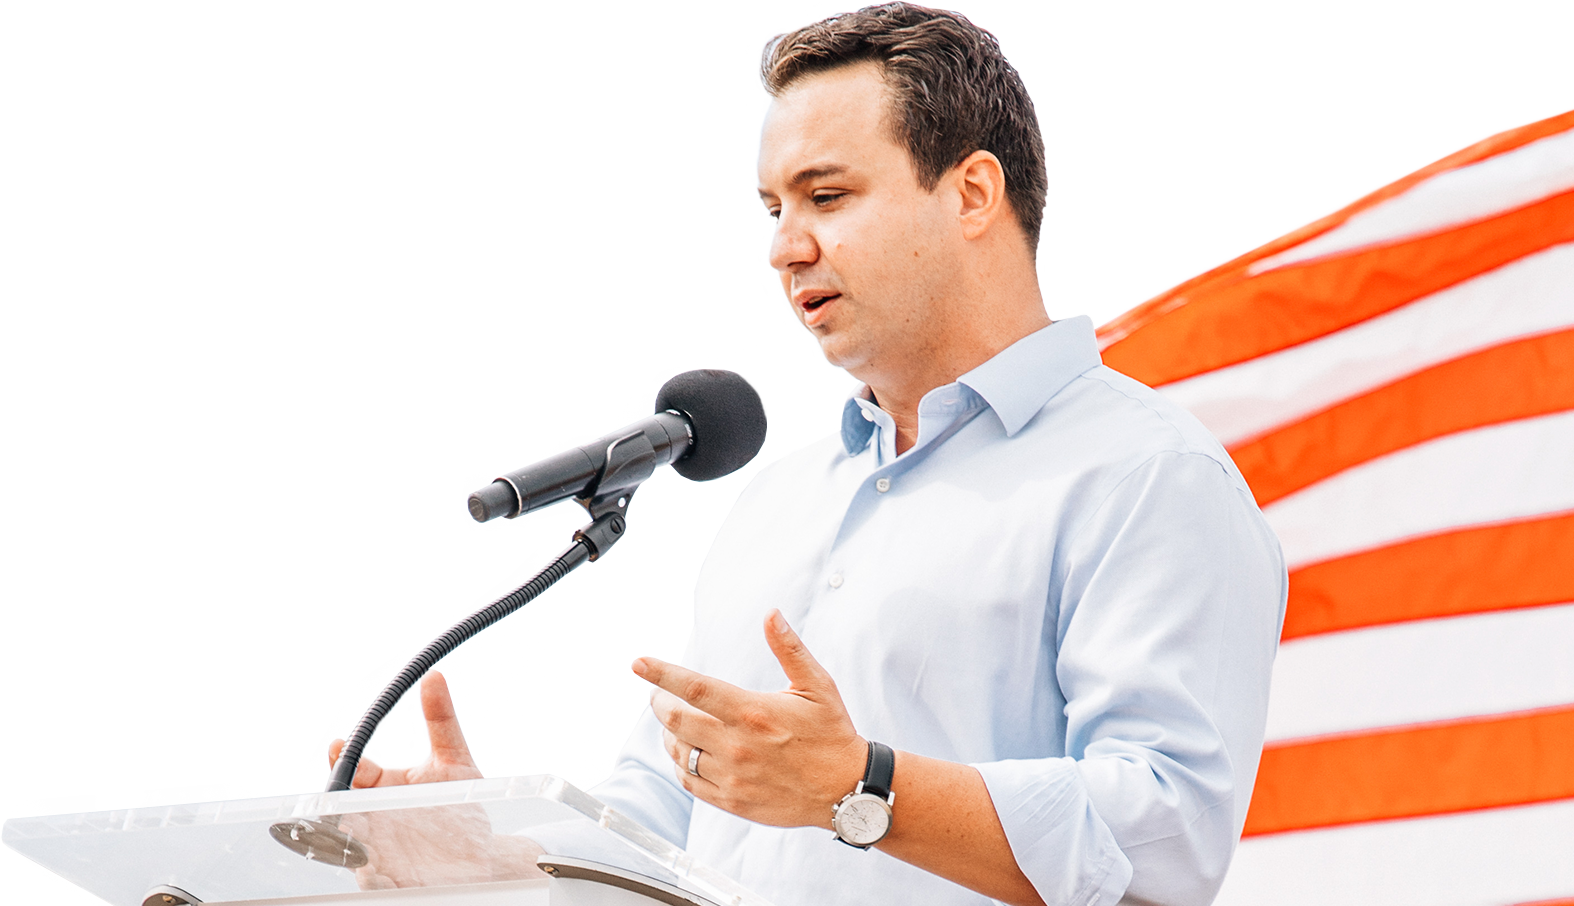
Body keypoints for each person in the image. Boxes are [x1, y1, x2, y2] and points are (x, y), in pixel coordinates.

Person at [331, 3, 1286, 903]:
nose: (785, 248)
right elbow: (662, 825)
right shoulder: (780, 500)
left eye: (826, 195)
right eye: (772, 210)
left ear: (972, 193)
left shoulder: (1150, 477)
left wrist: (859, 786)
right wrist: (496, 856)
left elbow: (1163, 844)